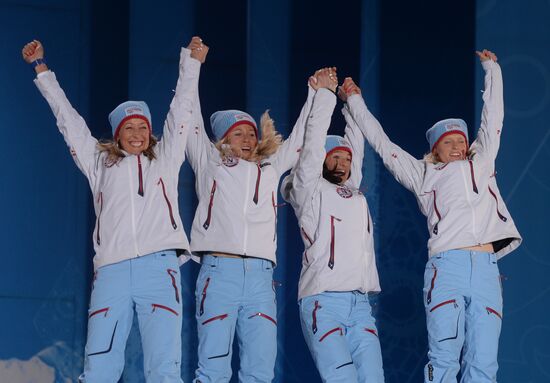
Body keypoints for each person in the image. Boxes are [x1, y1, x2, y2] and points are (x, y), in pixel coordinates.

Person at [22, 37, 204, 382]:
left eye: (142, 127)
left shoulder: (165, 160)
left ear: (151, 133)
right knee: (99, 370)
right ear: (118, 135)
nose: (136, 134)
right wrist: (41, 69)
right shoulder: (99, 164)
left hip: (159, 269)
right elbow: (68, 120)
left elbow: (181, 111)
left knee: (164, 370)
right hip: (112, 272)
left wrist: (191, 62)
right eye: (128, 128)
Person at [339, 50, 521, 382]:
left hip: (485, 269)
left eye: (461, 141)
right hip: (446, 268)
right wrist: (355, 104)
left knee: (484, 362)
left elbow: (493, 119)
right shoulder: (423, 175)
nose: (456, 146)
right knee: (444, 357)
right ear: (434, 149)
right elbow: (383, 144)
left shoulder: (482, 164)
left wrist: (492, 70)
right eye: (448, 141)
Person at [181, 39, 326, 382]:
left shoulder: (270, 168)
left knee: (260, 370)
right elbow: (187, 116)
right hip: (220, 272)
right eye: (237, 133)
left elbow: (303, 140)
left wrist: (316, 94)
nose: (247, 138)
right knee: (213, 368)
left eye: (250, 132)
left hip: (261, 278)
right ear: (222, 140)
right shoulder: (209, 162)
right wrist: (191, 64)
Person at [280, 68, 385, 383]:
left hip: (360, 302)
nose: (342, 163)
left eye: (346, 159)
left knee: (373, 378)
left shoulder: (352, 191)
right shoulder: (308, 191)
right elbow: (311, 148)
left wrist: (352, 103)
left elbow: (357, 145)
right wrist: (325, 95)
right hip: (323, 300)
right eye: (334, 157)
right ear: (322, 160)